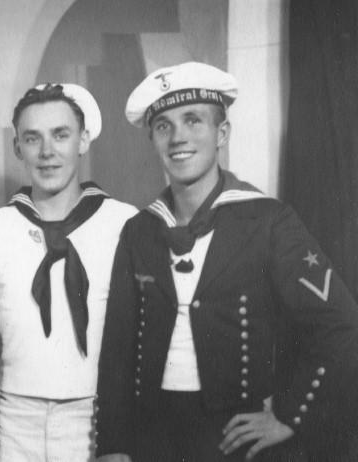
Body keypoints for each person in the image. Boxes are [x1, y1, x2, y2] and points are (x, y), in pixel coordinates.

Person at [95, 61, 358, 462]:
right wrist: (112, 445)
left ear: (222, 133)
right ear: (153, 139)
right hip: (153, 435)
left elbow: (340, 324)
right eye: (164, 126)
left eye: (193, 120)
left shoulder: (268, 221)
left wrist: (290, 413)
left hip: (234, 437)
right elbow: (118, 348)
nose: (178, 137)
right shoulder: (140, 230)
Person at [0, 83, 137, 461]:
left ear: (83, 140)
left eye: (60, 135)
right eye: (33, 139)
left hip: (94, 415)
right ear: (17, 148)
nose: (47, 152)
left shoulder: (124, 223)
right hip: (14, 418)